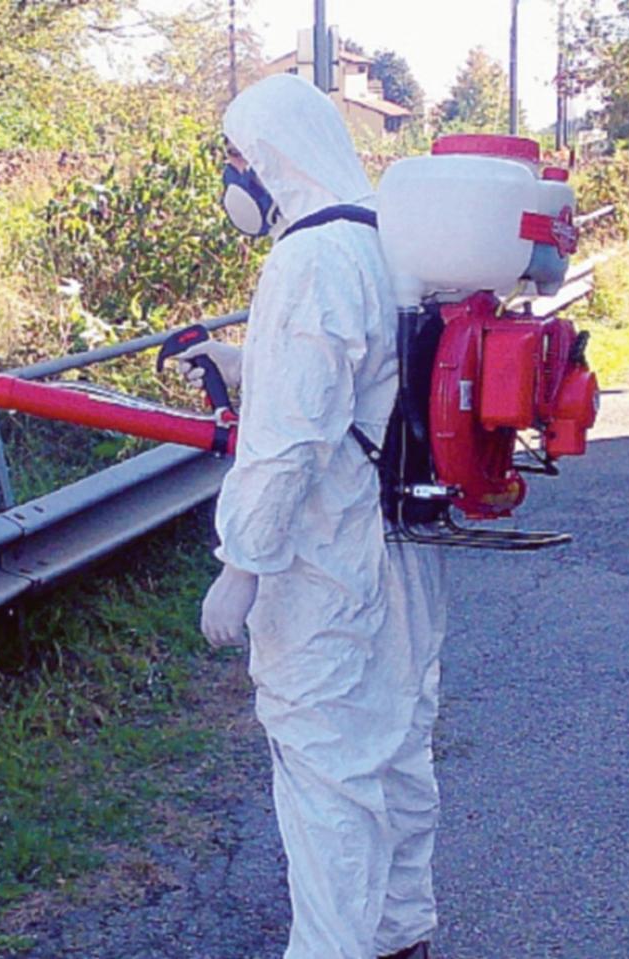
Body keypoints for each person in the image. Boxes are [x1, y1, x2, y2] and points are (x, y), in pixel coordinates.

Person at [174, 74, 449, 959]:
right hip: (404, 544)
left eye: (236, 161)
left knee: (326, 769)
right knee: (398, 745)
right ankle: (402, 932)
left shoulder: (307, 259)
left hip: (329, 561)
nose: (234, 181)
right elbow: (362, 376)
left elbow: (289, 441)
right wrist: (241, 358)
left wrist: (240, 567)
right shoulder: (388, 241)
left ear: (269, 161)